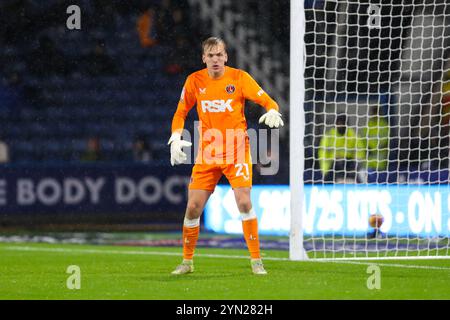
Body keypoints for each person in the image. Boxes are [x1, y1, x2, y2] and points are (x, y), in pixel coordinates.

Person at [168, 37, 283, 275]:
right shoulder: (194, 81)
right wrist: (176, 136)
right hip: (207, 152)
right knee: (193, 208)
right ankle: (187, 262)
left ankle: (256, 261)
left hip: (236, 150)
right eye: (211, 55)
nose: (216, 59)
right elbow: (180, 113)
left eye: (219, 54)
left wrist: (273, 109)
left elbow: (267, 100)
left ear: (226, 56)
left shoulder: (239, 78)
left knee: (243, 202)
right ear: (204, 58)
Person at [318, 114, 366, 183]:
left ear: (347, 124)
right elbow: (322, 155)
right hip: (333, 166)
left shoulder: (353, 135)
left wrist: (356, 162)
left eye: (343, 123)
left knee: (360, 174)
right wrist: (325, 170)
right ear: (335, 124)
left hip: (349, 165)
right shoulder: (328, 136)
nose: (340, 126)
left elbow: (360, 153)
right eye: (339, 123)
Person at [360, 106, 389, 172]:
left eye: (376, 113)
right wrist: (366, 148)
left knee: (379, 179)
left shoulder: (384, 125)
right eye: (373, 113)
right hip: (368, 160)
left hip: (380, 160)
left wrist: (378, 149)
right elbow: (363, 139)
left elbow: (388, 141)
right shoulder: (368, 125)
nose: (374, 115)